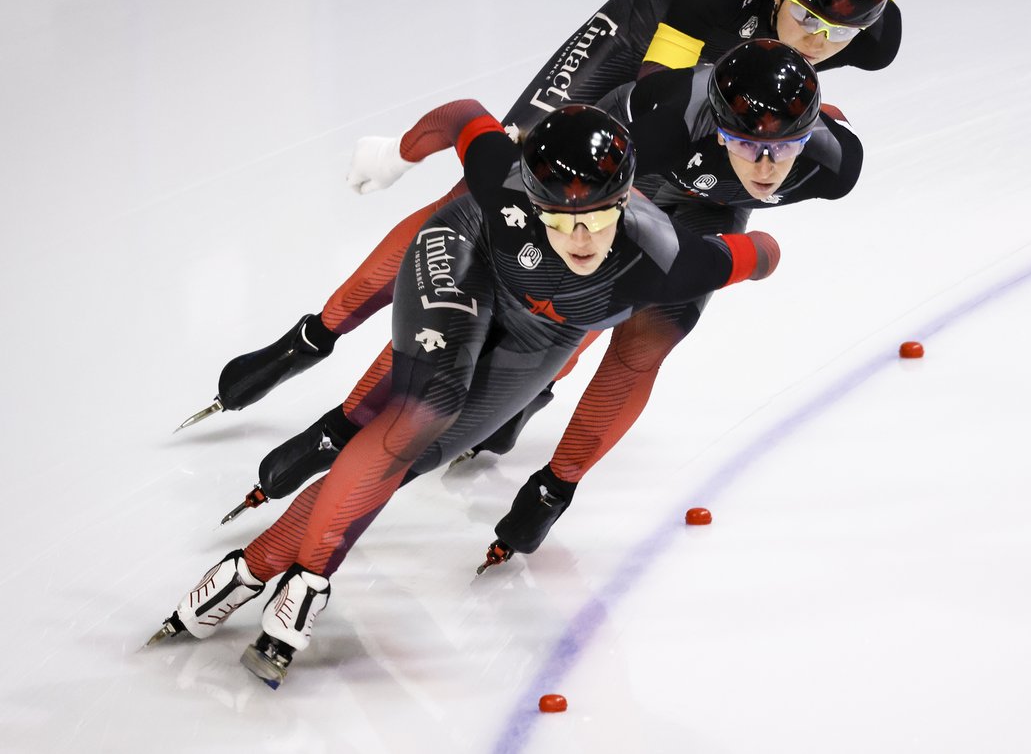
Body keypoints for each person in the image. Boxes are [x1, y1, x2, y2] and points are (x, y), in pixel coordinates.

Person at [177, 0, 896, 432]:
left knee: (606, 247)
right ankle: (312, 335)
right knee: (500, 193)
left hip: (724, 97)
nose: (820, 41)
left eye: (842, 33)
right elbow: (652, 98)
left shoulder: (868, 36)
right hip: (641, 57)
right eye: (806, 19)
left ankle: (531, 374)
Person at [149, 104, 782, 689]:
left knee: (407, 460)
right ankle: (310, 583)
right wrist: (398, 154)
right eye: (561, 219)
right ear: (532, 203)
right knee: (426, 409)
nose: (582, 238)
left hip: (548, 329)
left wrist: (762, 244)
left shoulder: (669, 257)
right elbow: (465, 118)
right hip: (465, 252)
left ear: (625, 206)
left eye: (598, 218)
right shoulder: (499, 183)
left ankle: (246, 572)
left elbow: (761, 253)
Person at [233, 40, 862, 573]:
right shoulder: (665, 117)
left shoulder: (831, 166)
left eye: (785, 148)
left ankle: (550, 480)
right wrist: (403, 154)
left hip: (693, 217)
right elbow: (497, 195)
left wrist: (754, 249)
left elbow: (744, 247)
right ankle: (349, 416)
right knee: (511, 259)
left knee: (642, 334)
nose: (766, 164)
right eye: (745, 142)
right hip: (613, 182)